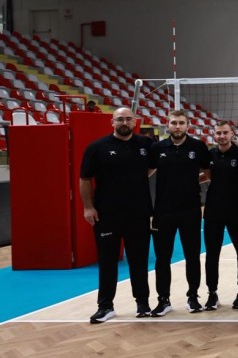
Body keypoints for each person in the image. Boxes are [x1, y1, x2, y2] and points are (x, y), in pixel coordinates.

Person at [79, 107, 154, 323]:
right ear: (112, 122)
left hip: (138, 213)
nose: (125, 122)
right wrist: (88, 207)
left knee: (139, 261)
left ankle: (142, 304)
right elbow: (85, 179)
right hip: (107, 215)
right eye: (120, 119)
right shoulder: (97, 147)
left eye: (129, 119)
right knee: (107, 261)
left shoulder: (146, 144)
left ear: (135, 122)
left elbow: (151, 168)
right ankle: (105, 306)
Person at [148, 109, 211, 316]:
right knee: (162, 258)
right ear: (167, 125)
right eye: (174, 123)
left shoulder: (198, 146)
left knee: (192, 256)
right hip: (163, 211)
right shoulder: (157, 148)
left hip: (190, 210)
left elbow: (208, 172)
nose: (177, 126)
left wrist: (192, 181)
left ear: (187, 125)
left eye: (181, 123)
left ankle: (193, 297)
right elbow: (147, 171)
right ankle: (163, 300)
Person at [202, 120, 238, 310]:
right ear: (214, 135)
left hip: (236, 210)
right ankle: (212, 293)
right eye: (218, 133)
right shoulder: (210, 154)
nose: (222, 136)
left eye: (225, 133)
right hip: (213, 211)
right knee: (212, 254)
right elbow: (207, 176)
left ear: (232, 134)